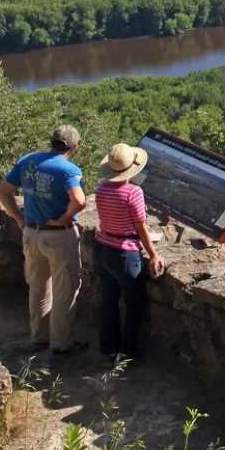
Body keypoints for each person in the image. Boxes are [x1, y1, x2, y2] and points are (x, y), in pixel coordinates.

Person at [0, 124, 87, 357]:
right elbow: (79, 200)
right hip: (58, 236)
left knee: (37, 288)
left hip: (32, 233)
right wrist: (65, 218)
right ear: (74, 147)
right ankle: (60, 344)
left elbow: (3, 191)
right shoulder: (68, 170)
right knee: (65, 290)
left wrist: (19, 218)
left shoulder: (29, 160)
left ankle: (39, 337)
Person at [92, 141, 164, 361]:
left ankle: (108, 349)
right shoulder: (133, 192)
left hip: (103, 248)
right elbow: (141, 227)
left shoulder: (101, 189)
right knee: (134, 304)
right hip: (125, 253)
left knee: (109, 301)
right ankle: (127, 353)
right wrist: (154, 255)